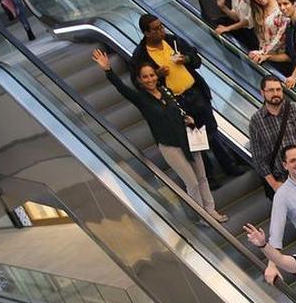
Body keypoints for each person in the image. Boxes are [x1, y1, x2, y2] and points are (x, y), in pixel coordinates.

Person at [91, 49, 228, 221]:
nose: (150, 79)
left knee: (202, 178)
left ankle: (211, 210)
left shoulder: (165, 91)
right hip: (170, 146)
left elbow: (175, 111)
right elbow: (122, 89)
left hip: (187, 138)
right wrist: (108, 70)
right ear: (140, 80)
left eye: (152, 75)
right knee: (192, 183)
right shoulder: (141, 98)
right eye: (145, 77)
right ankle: (202, 216)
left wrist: (186, 118)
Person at [130, 13, 246, 180]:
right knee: (194, 139)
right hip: (175, 101)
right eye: (156, 29)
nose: (161, 31)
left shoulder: (172, 41)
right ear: (147, 33)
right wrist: (156, 74)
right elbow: (137, 82)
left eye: (161, 26)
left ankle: (230, 165)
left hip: (195, 93)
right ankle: (209, 176)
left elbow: (196, 58)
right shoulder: (141, 55)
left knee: (211, 131)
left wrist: (186, 59)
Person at [248, 76, 296, 195]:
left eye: (278, 89)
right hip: (282, 179)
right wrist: (274, 184)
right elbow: (258, 158)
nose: (276, 93)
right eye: (271, 90)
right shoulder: (256, 121)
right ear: (262, 93)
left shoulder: (294, 108)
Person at [237, 0, 288, 65]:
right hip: (266, 59)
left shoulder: (281, 8)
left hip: (283, 58)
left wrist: (262, 52)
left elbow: (280, 37)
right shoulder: (258, 13)